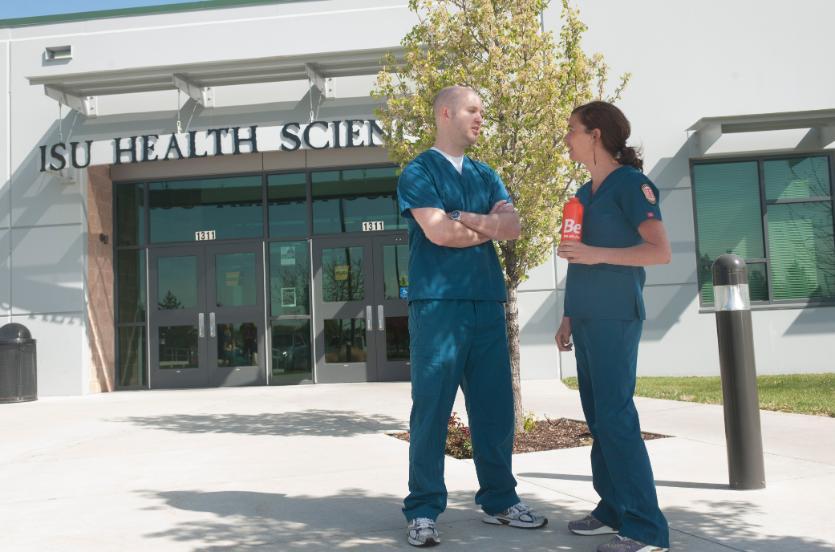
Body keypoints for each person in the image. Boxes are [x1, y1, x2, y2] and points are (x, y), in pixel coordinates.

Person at [397, 85, 547, 547]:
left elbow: (514, 227)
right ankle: (422, 510)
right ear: (446, 113)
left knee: (495, 409)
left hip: (486, 302)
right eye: (473, 110)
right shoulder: (418, 172)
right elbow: (440, 234)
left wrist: (465, 216)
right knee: (432, 410)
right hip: (439, 304)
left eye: (482, 110)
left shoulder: (486, 173)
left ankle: (501, 501)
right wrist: (487, 223)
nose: (481, 118)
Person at [556, 101, 671, 552]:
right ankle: (612, 508)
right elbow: (576, 258)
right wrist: (567, 314)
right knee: (599, 419)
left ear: (596, 134)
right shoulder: (585, 192)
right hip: (584, 317)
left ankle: (646, 529)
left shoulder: (631, 184)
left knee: (617, 419)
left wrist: (598, 255)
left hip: (615, 315)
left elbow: (659, 252)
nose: (567, 138)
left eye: (572, 130)